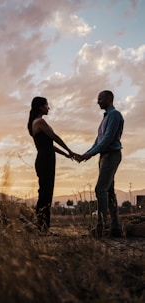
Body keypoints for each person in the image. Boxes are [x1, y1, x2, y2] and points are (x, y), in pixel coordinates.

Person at [78, 90, 124, 237]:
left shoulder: (115, 115)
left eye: (100, 98)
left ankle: (101, 227)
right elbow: (98, 141)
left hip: (111, 155)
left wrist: (89, 154)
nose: (98, 101)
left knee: (100, 189)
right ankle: (116, 227)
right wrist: (86, 154)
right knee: (108, 190)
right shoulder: (105, 118)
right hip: (104, 156)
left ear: (109, 99)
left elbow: (107, 140)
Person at [27, 96, 75, 231]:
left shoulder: (36, 122)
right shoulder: (40, 122)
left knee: (46, 192)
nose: (49, 108)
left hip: (46, 158)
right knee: (45, 193)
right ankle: (42, 225)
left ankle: (43, 225)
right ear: (40, 107)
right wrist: (69, 150)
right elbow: (55, 137)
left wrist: (66, 154)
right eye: (47, 105)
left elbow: (49, 145)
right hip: (45, 159)